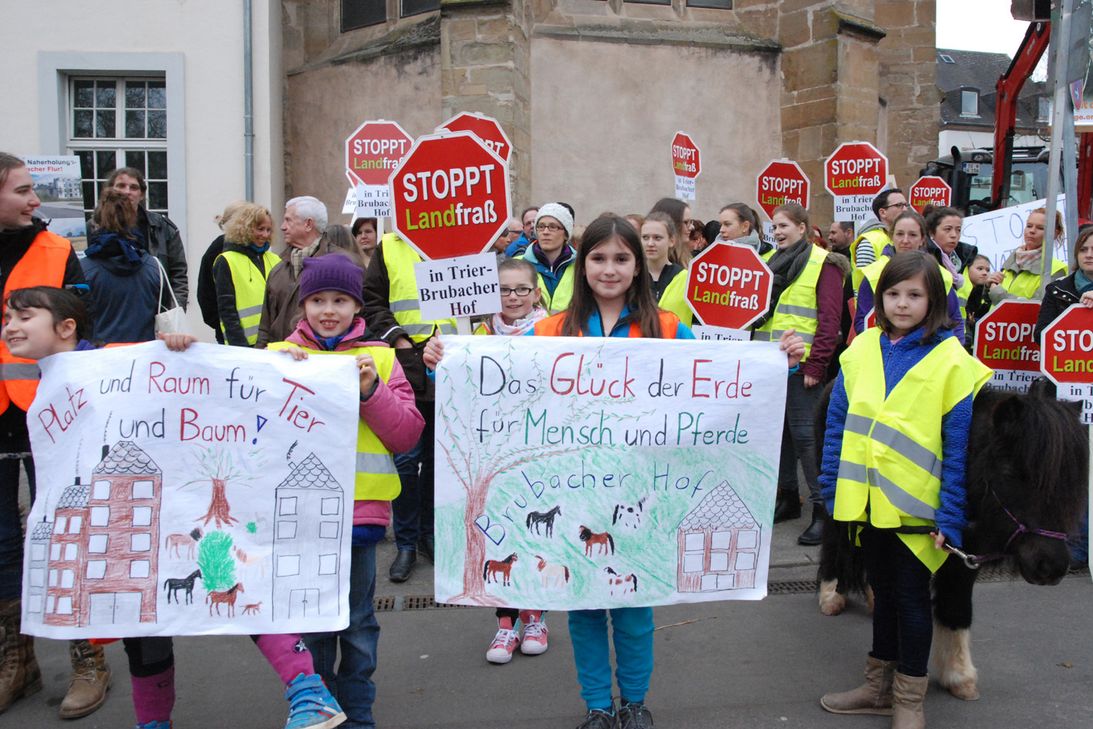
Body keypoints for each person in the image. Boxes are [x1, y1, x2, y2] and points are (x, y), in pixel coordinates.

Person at [1, 285, 348, 729]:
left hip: (176, 513)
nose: (11, 326)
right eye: (7, 318)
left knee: (237, 589)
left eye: (23, 316)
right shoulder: (53, 381)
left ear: (65, 327)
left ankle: (308, 691)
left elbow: (188, 379)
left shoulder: (120, 363)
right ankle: (153, 725)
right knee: (144, 639)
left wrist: (177, 346)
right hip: (127, 534)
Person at [819, 251, 993, 729]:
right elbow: (838, 426)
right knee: (885, 595)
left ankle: (909, 700)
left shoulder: (953, 361)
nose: (901, 303)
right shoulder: (858, 352)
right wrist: (831, 490)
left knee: (913, 602)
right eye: (892, 294)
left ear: (934, 300)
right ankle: (877, 687)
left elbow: (958, 450)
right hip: (867, 503)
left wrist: (950, 517)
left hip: (919, 512)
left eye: (914, 295)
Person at [270, 254, 424, 729]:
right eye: (318, 300)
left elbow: (407, 434)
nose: (328, 309)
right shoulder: (277, 357)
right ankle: (319, 709)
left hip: (360, 517)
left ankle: (357, 711)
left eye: (340, 300)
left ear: (357, 306)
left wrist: (371, 390)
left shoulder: (379, 358)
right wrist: (283, 378)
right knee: (312, 623)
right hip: (298, 518)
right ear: (303, 304)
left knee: (357, 622)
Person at [0, 153, 106, 720]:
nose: (35, 201)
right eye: (22, 191)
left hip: (49, 413)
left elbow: (82, 333)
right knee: (1, 545)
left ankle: (88, 656)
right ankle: (15, 660)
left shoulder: (57, 250)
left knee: (69, 530)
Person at [424, 258, 550, 664]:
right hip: (489, 457)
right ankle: (504, 625)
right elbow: (451, 384)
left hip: (534, 453)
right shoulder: (474, 335)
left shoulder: (555, 332)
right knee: (497, 535)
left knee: (533, 535)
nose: (513, 297)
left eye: (521, 290)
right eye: (504, 290)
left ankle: (535, 616)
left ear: (536, 293)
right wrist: (434, 363)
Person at [362, 233, 457, 582]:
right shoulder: (389, 245)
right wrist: (399, 339)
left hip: (450, 365)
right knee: (405, 461)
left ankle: (428, 534)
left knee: (437, 461)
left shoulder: (462, 239)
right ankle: (405, 544)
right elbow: (371, 301)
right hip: (405, 366)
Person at [753, 202, 843, 545]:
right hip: (771, 367)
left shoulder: (825, 263)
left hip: (803, 368)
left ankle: (823, 510)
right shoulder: (767, 264)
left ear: (803, 228)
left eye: (784, 226)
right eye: (774, 227)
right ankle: (789, 498)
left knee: (807, 439)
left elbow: (830, 320)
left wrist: (817, 365)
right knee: (781, 438)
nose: (777, 232)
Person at [257, 196, 356, 347]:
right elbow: (265, 327)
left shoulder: (344, 266)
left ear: (308, 224)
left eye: (288, 220)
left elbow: (361, 319)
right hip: (282, 359)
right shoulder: (278, 269)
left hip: (323, 361)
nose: (282, 227)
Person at [853, 211, 964, 344]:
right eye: (900, 234)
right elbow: (862, 322)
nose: (905, 240)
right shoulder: (874, 273)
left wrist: (957, 351)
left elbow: (954, 319)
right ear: (891, 237)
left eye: (912, 235)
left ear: (923, 239)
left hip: (929, 351)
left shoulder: (940, 275)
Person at [81, 189, 163, 344]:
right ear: (133, 220)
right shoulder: (153, 266)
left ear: (96, 222)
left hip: (99, 358)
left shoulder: (84, 269)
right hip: (144, 359)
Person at [102, 168, 188, 309]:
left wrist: (175, 312)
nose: (127, 192)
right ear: (110, 190)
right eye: (121, 186)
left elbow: (178, 275)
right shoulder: (94, 227)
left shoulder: (163, 227)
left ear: (141, 194)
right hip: (111, 310)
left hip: (155, 309)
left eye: (134, 187)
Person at [212, 202, 280, 347]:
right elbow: (227, 312)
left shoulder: (275, 259)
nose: (265, 235)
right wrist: (240, 347)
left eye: (269, 230)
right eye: (260, 229)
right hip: (244, 345)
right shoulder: (227, 260)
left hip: (274, 344)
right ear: (246, 229)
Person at [987, 207, 1067, 304]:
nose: (1032, 231)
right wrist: (989, 286)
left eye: (1040, 228)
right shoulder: (1012, 261)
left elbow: (1039, 307)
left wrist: (998, 294)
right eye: (1029, 226)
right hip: (995, 319)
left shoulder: (1057, 270)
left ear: (1054, 233)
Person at [197, 201, 246, 343]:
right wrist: (219, 324)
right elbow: (206, 292)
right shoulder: (218, 249)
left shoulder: (255, 249)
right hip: (229, 334)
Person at [523, 203, 577, 314]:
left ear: (566, 234)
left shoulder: (581, 266)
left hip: (570, 330)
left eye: (552, 227)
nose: (545, 232)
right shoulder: (519, 264)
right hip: (532, 331)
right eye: (541, 226)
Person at [641, 212, 692, 325]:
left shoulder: (688, 279)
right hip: (639, 342)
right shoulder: (631, 278)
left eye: (657, 238)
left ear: (671, 241)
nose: (650, 243)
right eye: (645, 237)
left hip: (678, 341)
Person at [851, 188, 908, 273]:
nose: (905, 210)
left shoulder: (905, 239)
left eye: (906, 205)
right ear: (883, 213)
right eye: (899, 205)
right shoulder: (869, 242)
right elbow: (864, 280)